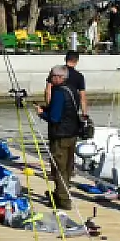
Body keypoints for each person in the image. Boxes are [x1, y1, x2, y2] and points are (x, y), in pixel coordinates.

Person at [37, 65, 79, 210]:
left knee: (58, 169)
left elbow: (54, 117)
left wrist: (41, 113)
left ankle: (63, 200)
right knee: (67, 168)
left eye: (51, 77)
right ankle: (61, 194)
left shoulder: (59, 92)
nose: (49, 79)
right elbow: (66, 111)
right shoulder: (72, 90)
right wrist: (47, 109)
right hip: (72, 134)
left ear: (59, 77)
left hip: (60, 136)